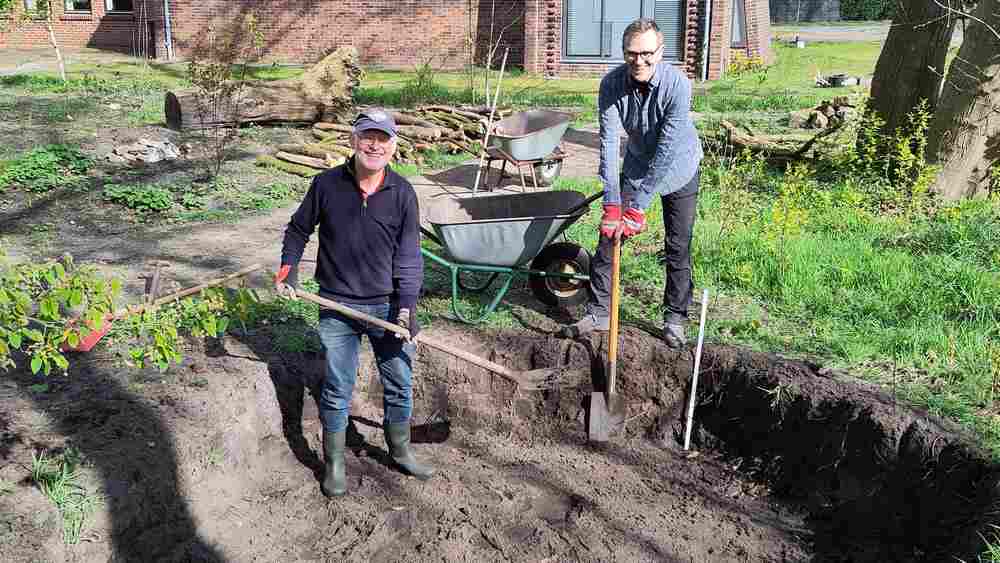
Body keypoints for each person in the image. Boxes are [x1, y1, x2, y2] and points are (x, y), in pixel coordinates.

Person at [274, 108, 434, 498]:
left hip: (386, 306)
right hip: (336, 303)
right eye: (368, 136)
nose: (374, 144)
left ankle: (399, 450)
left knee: (398, 380)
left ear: (394, 146)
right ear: (353, 139)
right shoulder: (326, 185)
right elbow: (298, 229)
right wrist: (287, 270)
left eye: (383, 138)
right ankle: (334, 463)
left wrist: (407, 307)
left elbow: (410, 256)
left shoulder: (402, 193)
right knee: (338, 385)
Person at [561, 18, 703, 349]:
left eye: (647, 53)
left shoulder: (678, 86)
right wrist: (613, 204)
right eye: (631, 54)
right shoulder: (611, 85)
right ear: (623, 53)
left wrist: (638, 207)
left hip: (680, 167)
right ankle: (599, 313)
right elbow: (609, 146)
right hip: (638, 165)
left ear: (661, 52)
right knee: (609, 238)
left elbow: (666, 151)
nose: (639, 61)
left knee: (678, 244)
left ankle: (675, 318)